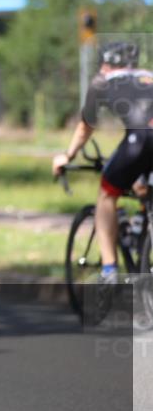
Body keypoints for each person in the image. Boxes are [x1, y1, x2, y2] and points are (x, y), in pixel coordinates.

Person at [52, 41, 153, 285]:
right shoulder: (149, 76)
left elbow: (86, 126)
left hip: (141, 139)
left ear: (105, 63)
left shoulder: (102, 81)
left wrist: (68, 155)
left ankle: (109, 271)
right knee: (143, 186)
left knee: (107, 195)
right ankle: (142, 229)